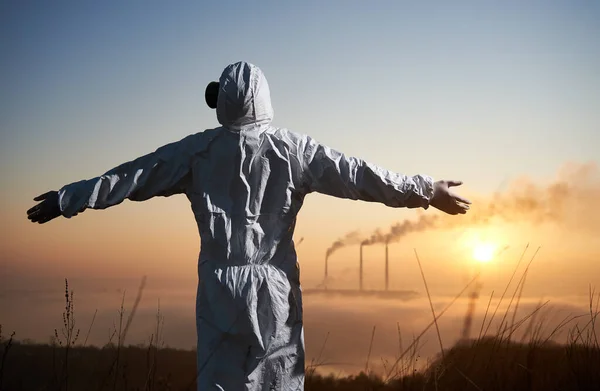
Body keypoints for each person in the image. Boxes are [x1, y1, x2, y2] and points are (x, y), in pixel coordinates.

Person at [27, 61, 471, 390]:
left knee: (219, 382)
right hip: (274, 286)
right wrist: (426, 190)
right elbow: (359, 174)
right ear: (264, 98)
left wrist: (69, 198)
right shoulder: (293, 150)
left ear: (222, 101)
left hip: (219, 287)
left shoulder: (197, 151)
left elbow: (134, 174)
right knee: (277, 380)